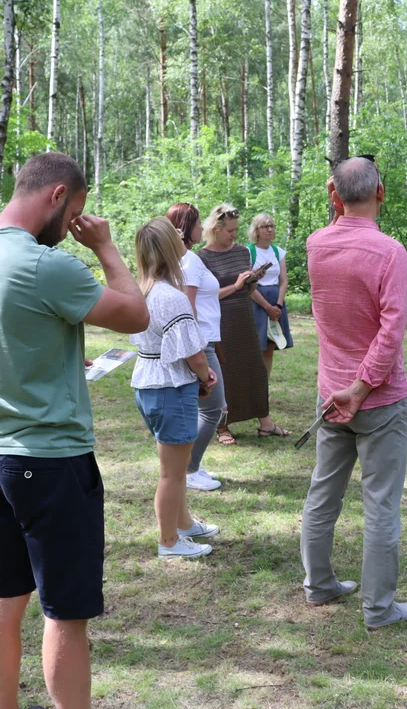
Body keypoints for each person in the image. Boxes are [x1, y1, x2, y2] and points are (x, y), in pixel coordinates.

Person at [0, 152, 150, 709]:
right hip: (52, 462)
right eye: (76, 210)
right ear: (58, 196)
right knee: (65, 613)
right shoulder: (44, 264)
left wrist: (45, 360)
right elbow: (135, 315)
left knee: (5, 598)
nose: (75, 224)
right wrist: (104, 245)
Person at [301, 156, 407, 628]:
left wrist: (349, 388)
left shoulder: (315, 244)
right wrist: (364, 386)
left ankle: (319, 585)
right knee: (381, 505)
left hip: (333, 393)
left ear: (334, 195)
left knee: (324, 493)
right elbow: (391, 332)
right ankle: (377, 608)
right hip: (378, 397)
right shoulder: (390, 251)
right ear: (381, 193)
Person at [130, 216, 221, 558]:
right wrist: (205, 375)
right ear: (172, 248)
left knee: (176, 466)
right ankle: (169, 540)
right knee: (172, 472)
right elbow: (194, 355)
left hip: (149, 382)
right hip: (170, 386)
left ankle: (184, 524)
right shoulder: (172, 297)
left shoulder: (143, 291)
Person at [198, 204, 289, 443]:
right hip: (220, 321)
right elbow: (205, 296)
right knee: (225, 372)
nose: (234, 235)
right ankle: (222, 426)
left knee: (255, 370)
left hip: (245, 317)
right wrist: (235, 286)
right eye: (229, 230)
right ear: (215, 229)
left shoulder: (241, 252)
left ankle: (265, 421)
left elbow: (248, 289)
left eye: (236, 230)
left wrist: (252, 280)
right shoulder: (202, 257)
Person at [169, 203, 224, 492]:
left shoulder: (186, 259)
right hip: (200, 344)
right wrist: (197, 350)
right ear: (187, 227)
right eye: (199, 223)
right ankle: (189, 470)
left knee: (200, 409)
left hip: (204, 341)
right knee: (213, 409)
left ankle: (191, 466)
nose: (202, 228)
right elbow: (187, 306)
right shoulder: (188, 260)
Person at [247, 213, 294, 377]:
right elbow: (248, 285)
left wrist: (278, 305)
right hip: (257, 302)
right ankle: (253, 389)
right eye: (265, 226)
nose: (269, 229)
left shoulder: (278, 252)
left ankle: (264, 389)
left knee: (269, 346)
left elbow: (283, 281)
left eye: (271, 226)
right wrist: (268, 307)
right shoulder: (248, 251)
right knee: (255, 347)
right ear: (256, 230)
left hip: (276, 301)